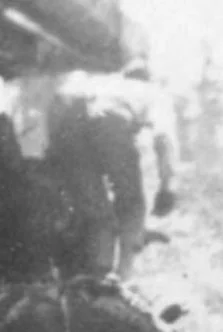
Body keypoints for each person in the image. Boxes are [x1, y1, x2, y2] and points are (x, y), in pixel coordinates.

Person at [46, 59, 178, 280]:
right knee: (132, 202)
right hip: (111, 121)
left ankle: (98, 272)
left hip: (69, 120)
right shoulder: (153, 92)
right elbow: (164, 139)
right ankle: (124, 275)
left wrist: (54, 150)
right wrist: (168, 186)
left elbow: (58, 100)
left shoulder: (100, 81)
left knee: (95, 211)